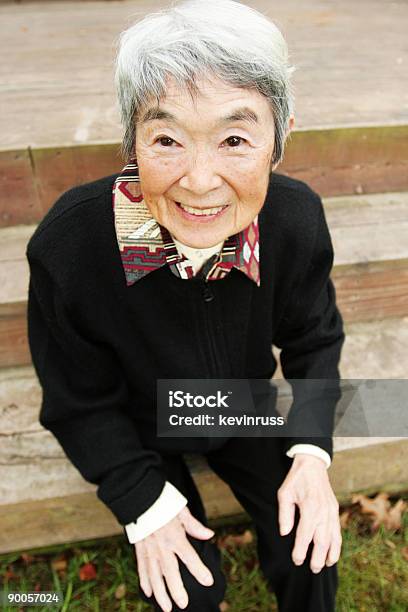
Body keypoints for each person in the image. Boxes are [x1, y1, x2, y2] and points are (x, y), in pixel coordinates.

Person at [25, 1, 345, 610]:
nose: (200, 181)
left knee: (310, 549)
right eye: (167, 138)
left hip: (241, 405)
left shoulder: (296, 219)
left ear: (279, 140)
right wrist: (141, 498)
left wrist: (311, 451)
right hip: (136, 420)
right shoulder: (70, 246)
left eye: (234, 139)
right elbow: (77, 401)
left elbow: (316, 340)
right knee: (187, 594)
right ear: (131, 142)